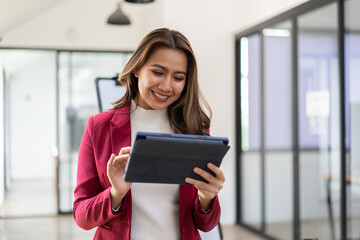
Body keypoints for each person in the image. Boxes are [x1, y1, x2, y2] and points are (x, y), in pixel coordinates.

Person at [73, 28, 225, 240]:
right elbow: (82, 216)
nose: (166, 86)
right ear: (137, 69)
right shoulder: (98, 127)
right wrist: (115, 193)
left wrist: (207, 197)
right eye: (158, 72)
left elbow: (207, 225)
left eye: (178, 77)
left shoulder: (194, 128)